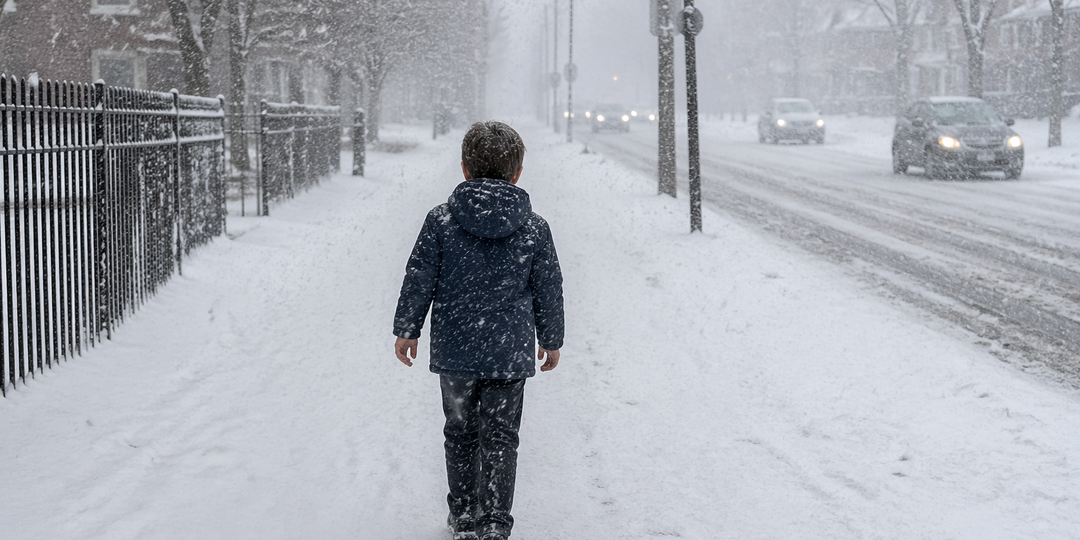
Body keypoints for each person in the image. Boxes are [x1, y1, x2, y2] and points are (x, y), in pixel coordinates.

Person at [393, 121, 565, 540]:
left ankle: (465, 514)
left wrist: (407, 328)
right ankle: (494, 522)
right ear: (518, 172)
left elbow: (420, 276)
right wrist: (552, 338)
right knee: (502, 437)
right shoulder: (533, 228)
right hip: (509, 352)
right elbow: (549, 286)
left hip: (456, 349)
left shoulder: (441, 221)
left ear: (465, 169)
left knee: (460, 431)